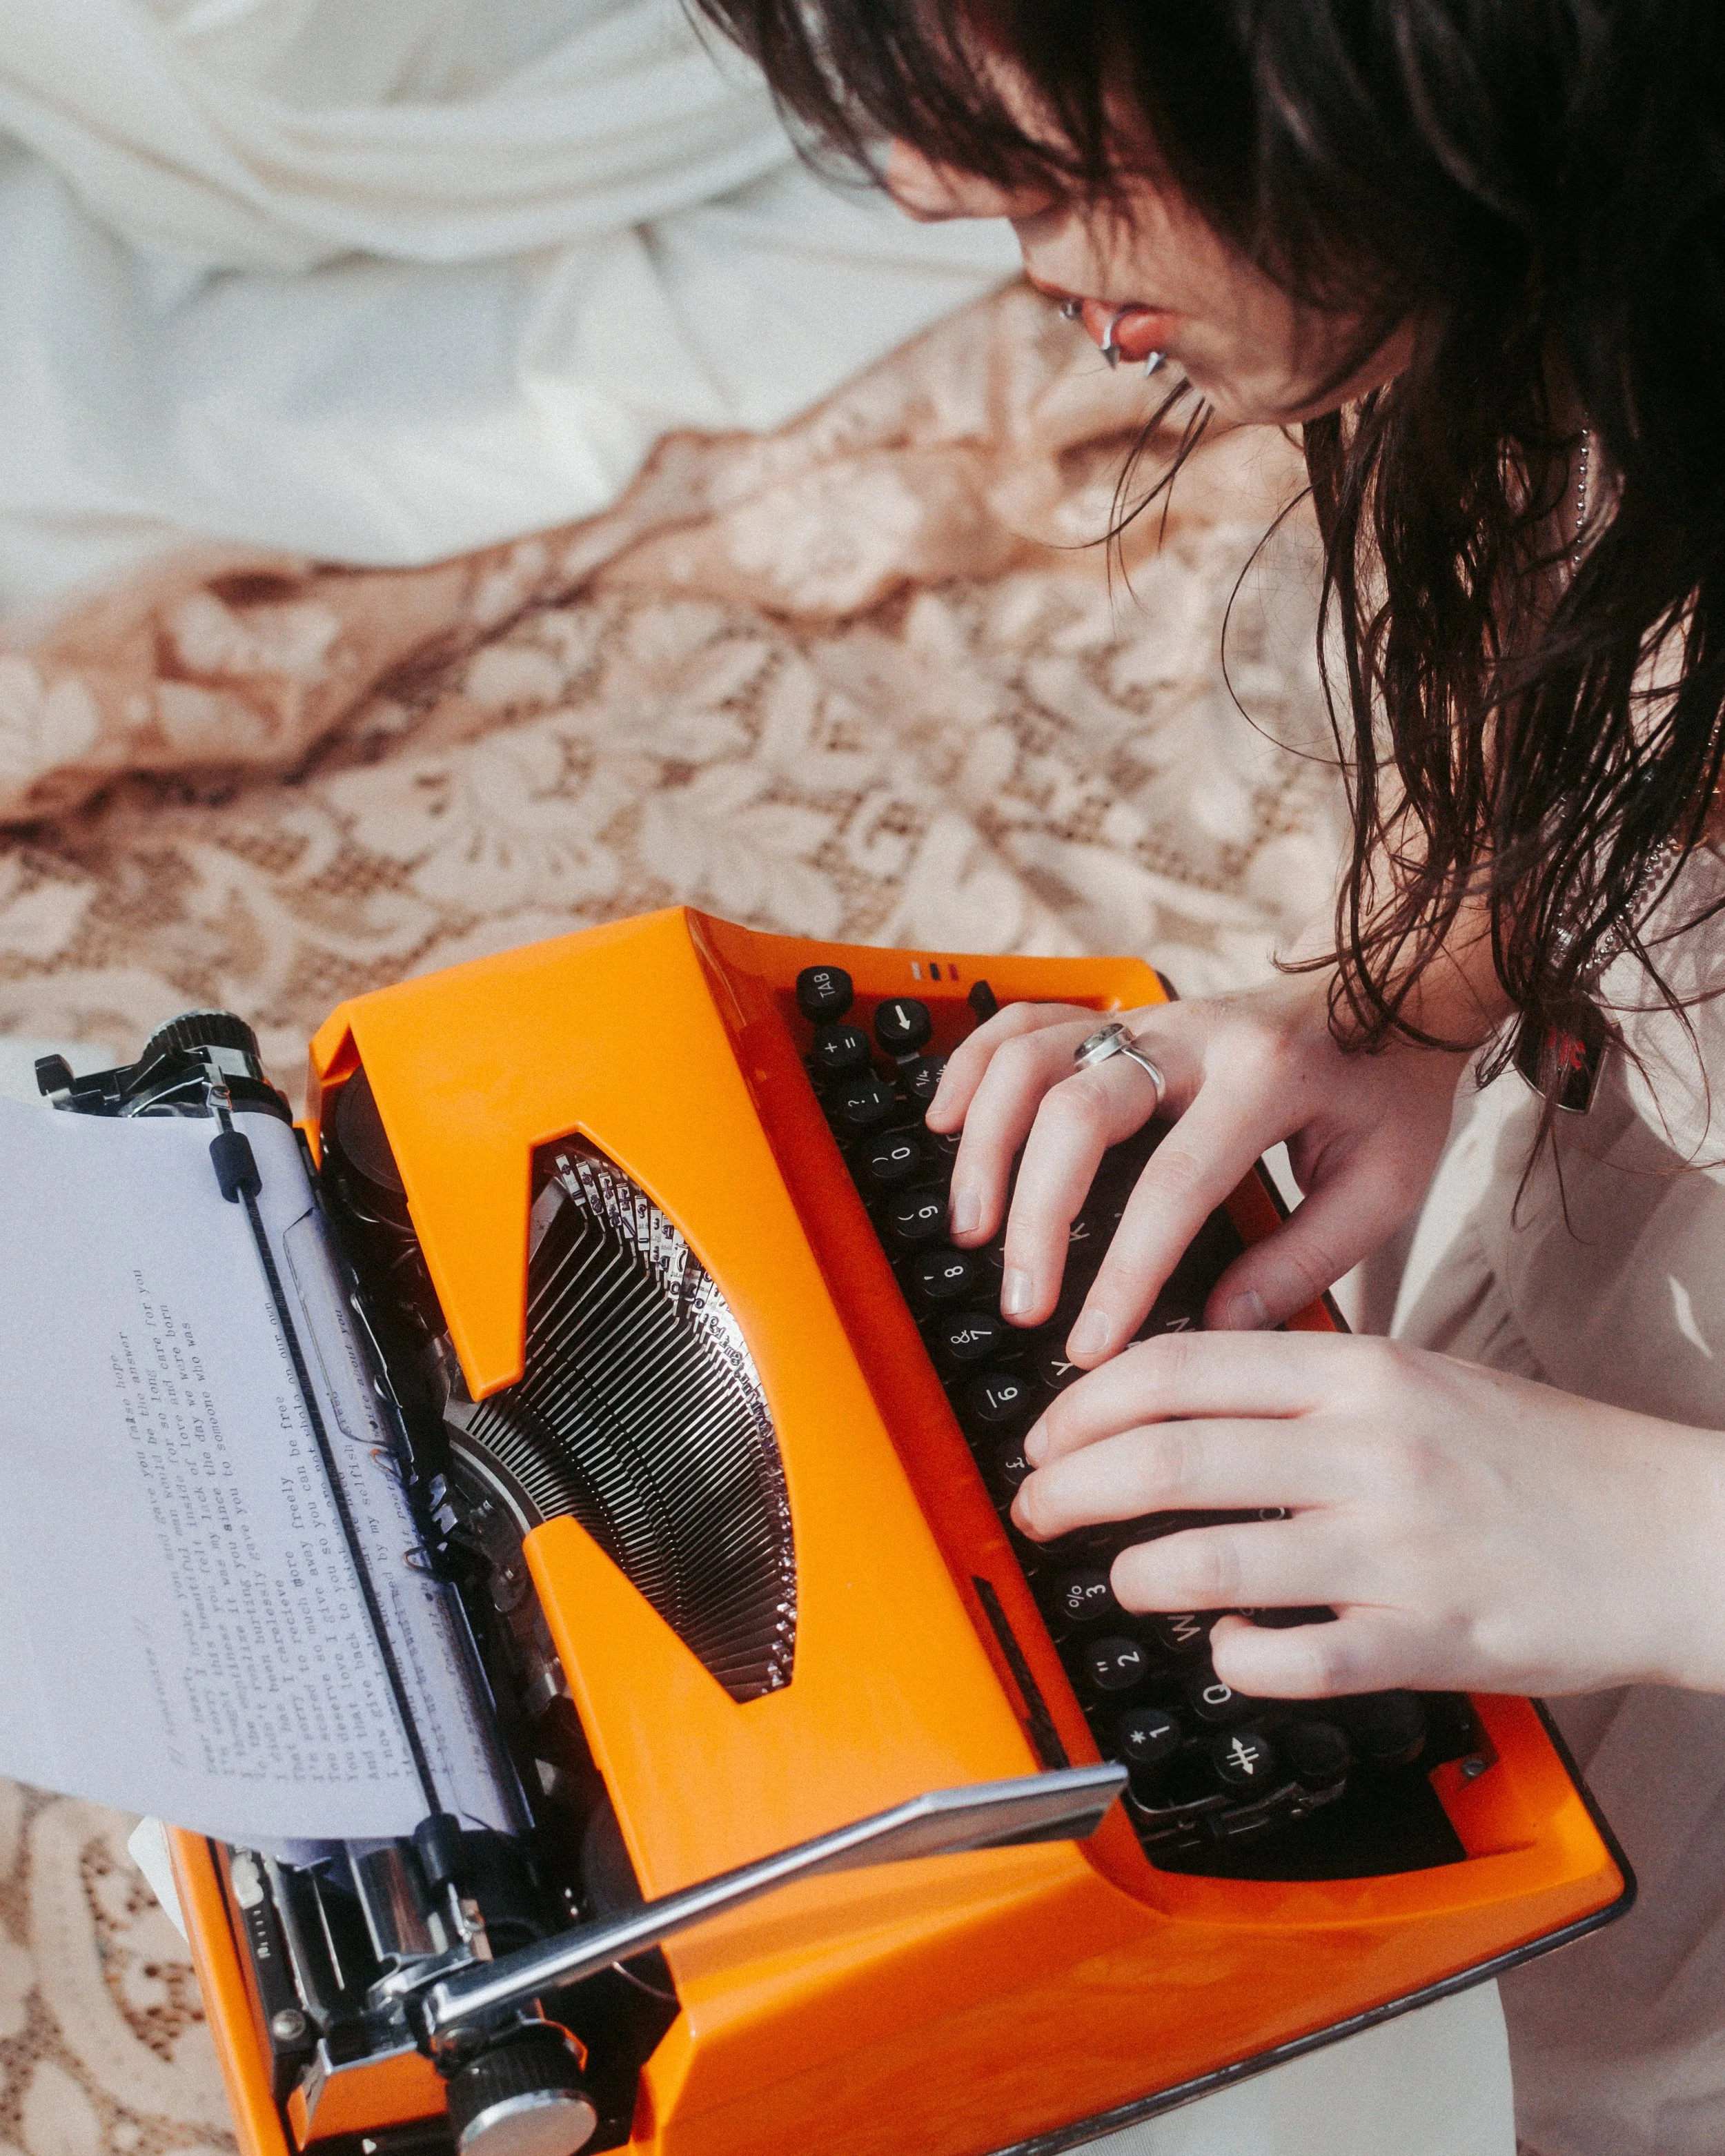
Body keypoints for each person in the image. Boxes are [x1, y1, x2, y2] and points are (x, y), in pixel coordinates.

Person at [691, 5, 1725, 2154]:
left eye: (1040, 104)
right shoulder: (1609, 256)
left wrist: (1652, 1541)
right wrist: (1418, 988)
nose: (928, 189)